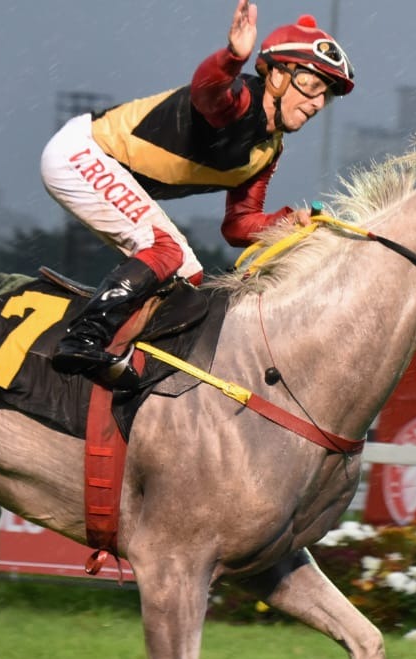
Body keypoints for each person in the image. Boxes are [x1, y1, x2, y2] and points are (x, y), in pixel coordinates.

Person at [40, 0, 355, 380]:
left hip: (97, 164)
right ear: (275, 76)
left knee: (188, 274)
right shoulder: (239, 100)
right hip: (81, 152)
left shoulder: (269, 150)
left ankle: (120, 354)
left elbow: (238, 226)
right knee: (166, 250)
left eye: (327, 94)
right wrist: (231, 57)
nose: (317, 102)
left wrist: (291, 222)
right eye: (311, 84)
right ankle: (83, 340)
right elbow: (208, 94)